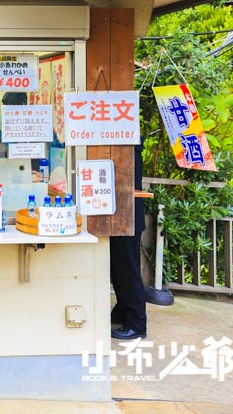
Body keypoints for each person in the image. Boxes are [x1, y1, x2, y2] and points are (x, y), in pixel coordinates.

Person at [110, 142, 148, 340]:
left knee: (127, 270)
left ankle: (136, 323)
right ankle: (123, 312)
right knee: (118, 269)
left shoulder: (129, 153)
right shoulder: (127, 150)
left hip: (128, 219)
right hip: (121, 218)